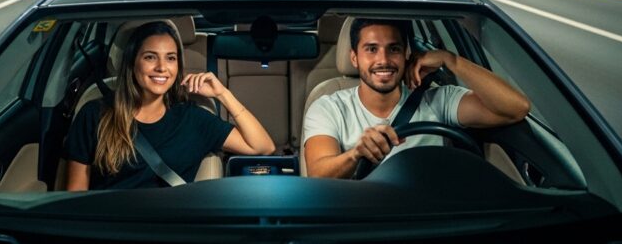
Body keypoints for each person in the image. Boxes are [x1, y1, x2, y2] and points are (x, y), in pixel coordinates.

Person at [303, 18, 530, 178]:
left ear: (406, 54)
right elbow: (318, 174)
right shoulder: (329, 106)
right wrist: (356, 154)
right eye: (371, 49)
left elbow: (516, 108)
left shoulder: (438, 100)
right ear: (354, 57)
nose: (383, 60)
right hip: (362, 219)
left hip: (426, 217)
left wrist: (452, 60)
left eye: (393, 49)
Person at [66, 21, 275, 190]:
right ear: (132, 63)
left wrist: (222, 94)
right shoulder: (95, 115)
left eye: (171, 58)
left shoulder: (193, 119)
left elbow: (263, 146)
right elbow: (76, 195)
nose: (161, 68)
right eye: (150, 57)